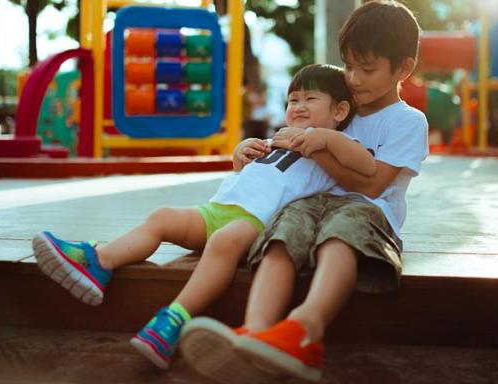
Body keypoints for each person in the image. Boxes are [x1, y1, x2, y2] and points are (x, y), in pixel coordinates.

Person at [30, 64, 374, 370]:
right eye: (292, 100)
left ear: (340, 110)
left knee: (224, 241)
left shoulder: (333, 148)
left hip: (255, 223)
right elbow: (252, 172)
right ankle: (98, 262)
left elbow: (365, 164)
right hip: (216, 211)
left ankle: (173, 320)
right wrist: (241, 153)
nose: (297, 107)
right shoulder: (277, 138)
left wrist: (321, 137)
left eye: (310, 99)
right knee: (162, 216)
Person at [179, 1, 428, 383]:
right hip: (312, 202)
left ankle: (304, 330)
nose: (354, 78)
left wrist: (316, 145)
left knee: (338, 238)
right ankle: (256, 333)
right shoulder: (343, 108)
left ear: (404, 68)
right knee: (280, 235)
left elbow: (374, 183)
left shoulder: (408, 121)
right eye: (348, 66)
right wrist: (251, 152)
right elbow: (290, 146)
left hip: (368, 210)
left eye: (368, 69)